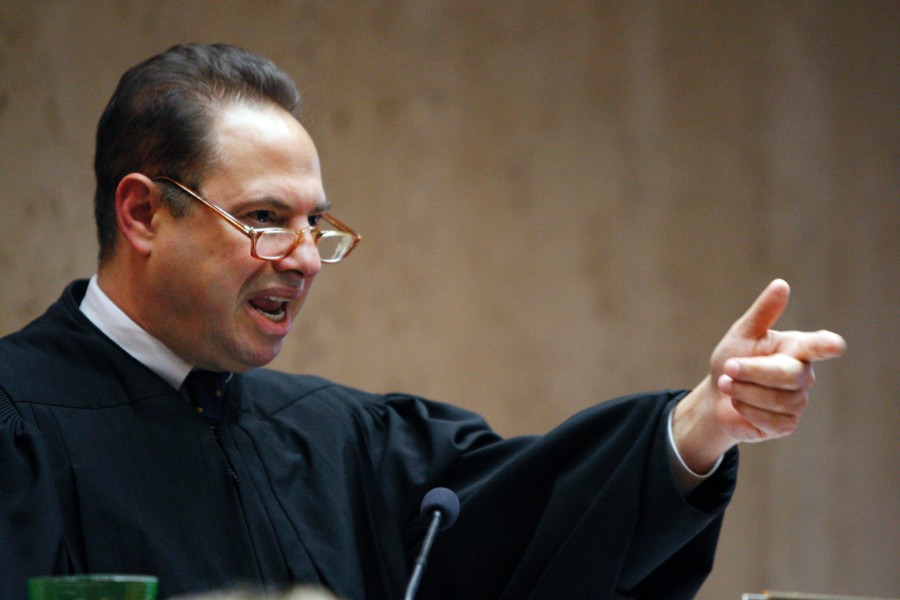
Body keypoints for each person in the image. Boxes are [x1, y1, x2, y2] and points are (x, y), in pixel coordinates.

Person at [0, 43, 846, 600]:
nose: (301, 258)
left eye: (315, 226)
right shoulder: (17, 430)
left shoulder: (340, 441)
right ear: (145, 214)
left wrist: (703, 421)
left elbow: (525, 529)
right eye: (264, 217)